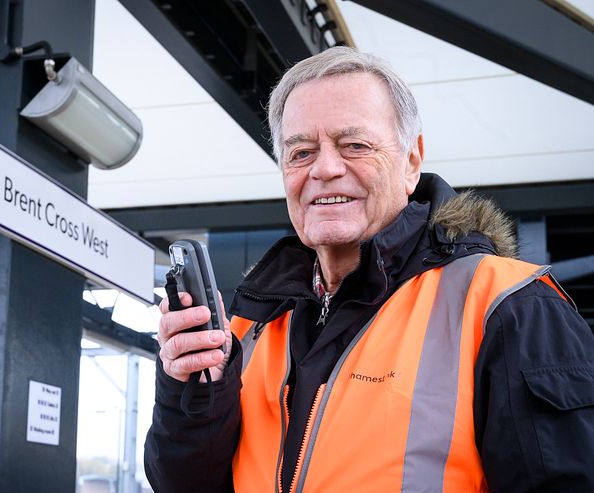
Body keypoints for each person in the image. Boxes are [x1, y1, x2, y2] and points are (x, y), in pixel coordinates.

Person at [144, 46, 594, 492]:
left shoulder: (510, 307)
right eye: (300, 152)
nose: (324, 169)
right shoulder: (247, 328)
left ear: (412, 161)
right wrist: (192, 389)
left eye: (354, 145)